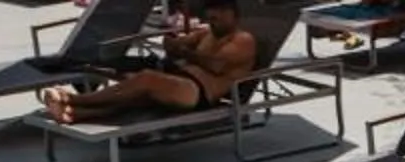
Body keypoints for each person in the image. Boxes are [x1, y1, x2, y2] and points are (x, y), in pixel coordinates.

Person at [40, 0, 257, 123]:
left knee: (146, 80)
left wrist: (184, 52)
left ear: (234, 17)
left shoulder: (242, 39)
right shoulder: (207, 34)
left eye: (220, 15)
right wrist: (175, 45)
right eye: (212, 15)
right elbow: (171, 45)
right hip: (181, 80)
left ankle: (74, 100)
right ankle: (75, 114)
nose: (214, 18)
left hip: (199, 92)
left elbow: (215, 65)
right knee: (137, 97)